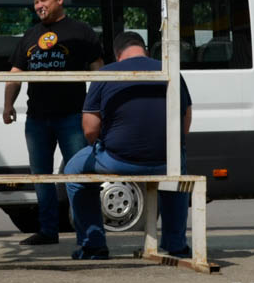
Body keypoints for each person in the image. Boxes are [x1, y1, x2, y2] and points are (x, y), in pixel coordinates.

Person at [64, 31, 193, 260]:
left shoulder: (106, 74)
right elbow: (186, 119)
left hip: (119, 159)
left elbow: (89, 128)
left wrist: (99, 146)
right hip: (166, 159)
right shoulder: (170, 70)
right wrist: (171, 147)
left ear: (117, 53)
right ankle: (176, 245)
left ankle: (93, 245)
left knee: (73, 172)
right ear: (143, 48)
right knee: (178, 169)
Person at [3, 0, 104, 245]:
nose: (39, 6)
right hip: (37, 118)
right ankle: (48, 231)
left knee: (78, 175)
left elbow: (99, 71)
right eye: (36, 2)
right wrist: (8, 104)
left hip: (72, 116)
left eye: (44, 0)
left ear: (60, 0)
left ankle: (87, 233)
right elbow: (14, 75)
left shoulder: (81, 32)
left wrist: (98, 107)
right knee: (41, 176)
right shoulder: (29, 35)